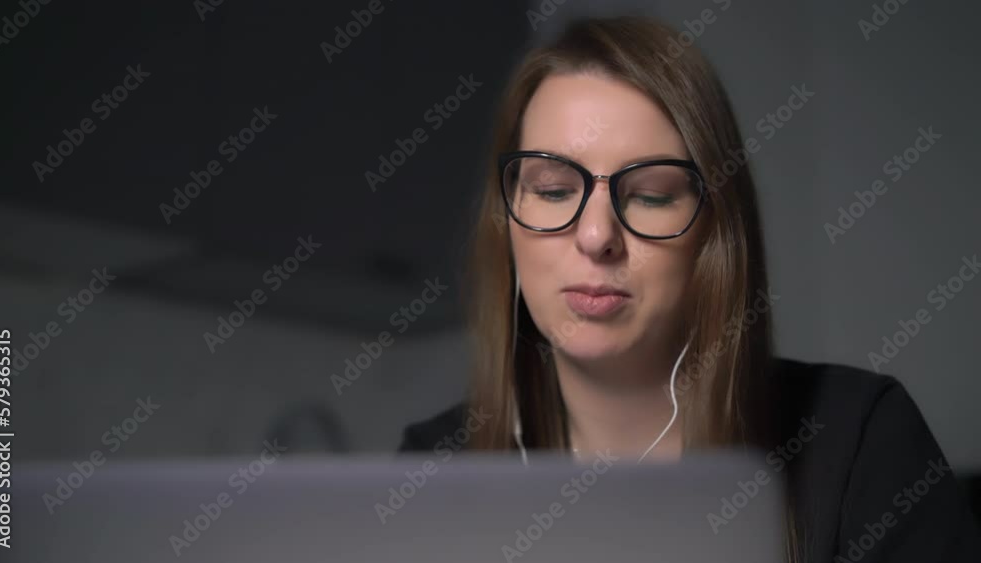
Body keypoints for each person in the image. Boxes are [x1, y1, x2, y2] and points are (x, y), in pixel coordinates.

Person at [396, 15, 980, 562]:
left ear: (713, 230)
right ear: (506, 219)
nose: (597, 236)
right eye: (553, 190)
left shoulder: (862, 443)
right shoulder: (429, 472)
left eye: (651, 196)